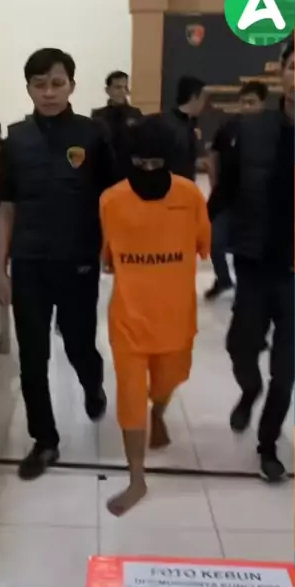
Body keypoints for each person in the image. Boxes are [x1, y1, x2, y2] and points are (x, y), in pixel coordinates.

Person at [0, 48, 117, 480]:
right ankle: (44, 440)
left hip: (78, 260)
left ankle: (92, 384)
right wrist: (0, 267)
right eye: (40, 84)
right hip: (29, 262)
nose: (49, 92)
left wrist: (111, 252)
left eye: (57, 83)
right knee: (32, 356)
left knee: (79, 344)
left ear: (72, 86)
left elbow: (112, 200)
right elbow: (6, 207)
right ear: (28, 87)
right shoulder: (14, 140)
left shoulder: (93, 135)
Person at [100, 115, 211, 516]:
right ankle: (137, 478)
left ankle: (159, 413)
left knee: (169, 380)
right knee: (131, 397)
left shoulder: (189, 196)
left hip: (176, 317)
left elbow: (203, 244)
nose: (148, 170)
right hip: (128, 319)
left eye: (156, 163)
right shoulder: (111, 200)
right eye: (140, 163)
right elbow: (108, 258)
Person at [224, 38, 295, 482]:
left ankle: (268, 445)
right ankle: (249, 390)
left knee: (286, 371)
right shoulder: (250, 129)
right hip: (254, 263)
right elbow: (226, 191)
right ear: (281, 71)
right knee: (240, 346)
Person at [205, 80, 268, 299]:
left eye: (252, 102)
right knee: (215, 242)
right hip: (225, 199)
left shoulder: (270, 129)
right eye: (243, 102)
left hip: (256, 202)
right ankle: (223, 279)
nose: (246, 106)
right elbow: (214, 155)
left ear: (262, 103)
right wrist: (214, 183)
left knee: (249, 250)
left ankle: (248, 290)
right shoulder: (229, 126)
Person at [91, 71, 142, 179]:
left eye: (125, 87)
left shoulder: (135, 113)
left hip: (130, 172)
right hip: (104, 172)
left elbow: (141, 142)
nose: (122, 91)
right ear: (108, 90)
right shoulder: (98, 115)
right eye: (118, 87)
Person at [161, 75, 206, 181]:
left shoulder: (190, 125)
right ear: (194, 97)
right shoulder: (171, 126)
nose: (204, 104)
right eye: (203, 98)